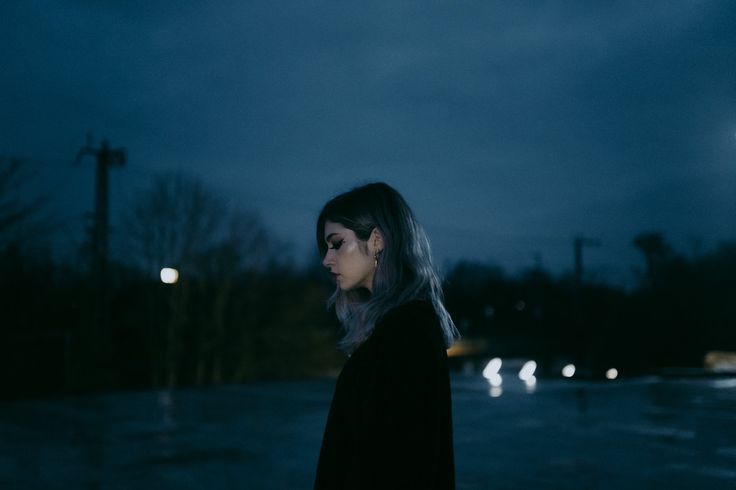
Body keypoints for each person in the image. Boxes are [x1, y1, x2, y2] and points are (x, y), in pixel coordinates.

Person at [313, 182, 459, 490]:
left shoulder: (407, 334)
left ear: (377, 240)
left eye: (337, 243)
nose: (327, 260)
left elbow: (405, 465)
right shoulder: (397, 328)